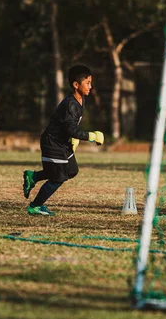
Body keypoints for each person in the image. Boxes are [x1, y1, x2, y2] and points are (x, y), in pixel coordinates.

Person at [22, 64, 104, 216]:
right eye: (87, 83)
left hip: (62, 143)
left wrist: (74, 139)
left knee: (71, 170)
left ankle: (33, 176)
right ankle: (35, 206)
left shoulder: (81, 100)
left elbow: (70, 125)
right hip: (52, 143)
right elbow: (71, 129)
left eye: (91, 82)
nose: (90, 86)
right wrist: (92, 136)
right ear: (76, 84)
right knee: (58, 177)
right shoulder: (70, 104)